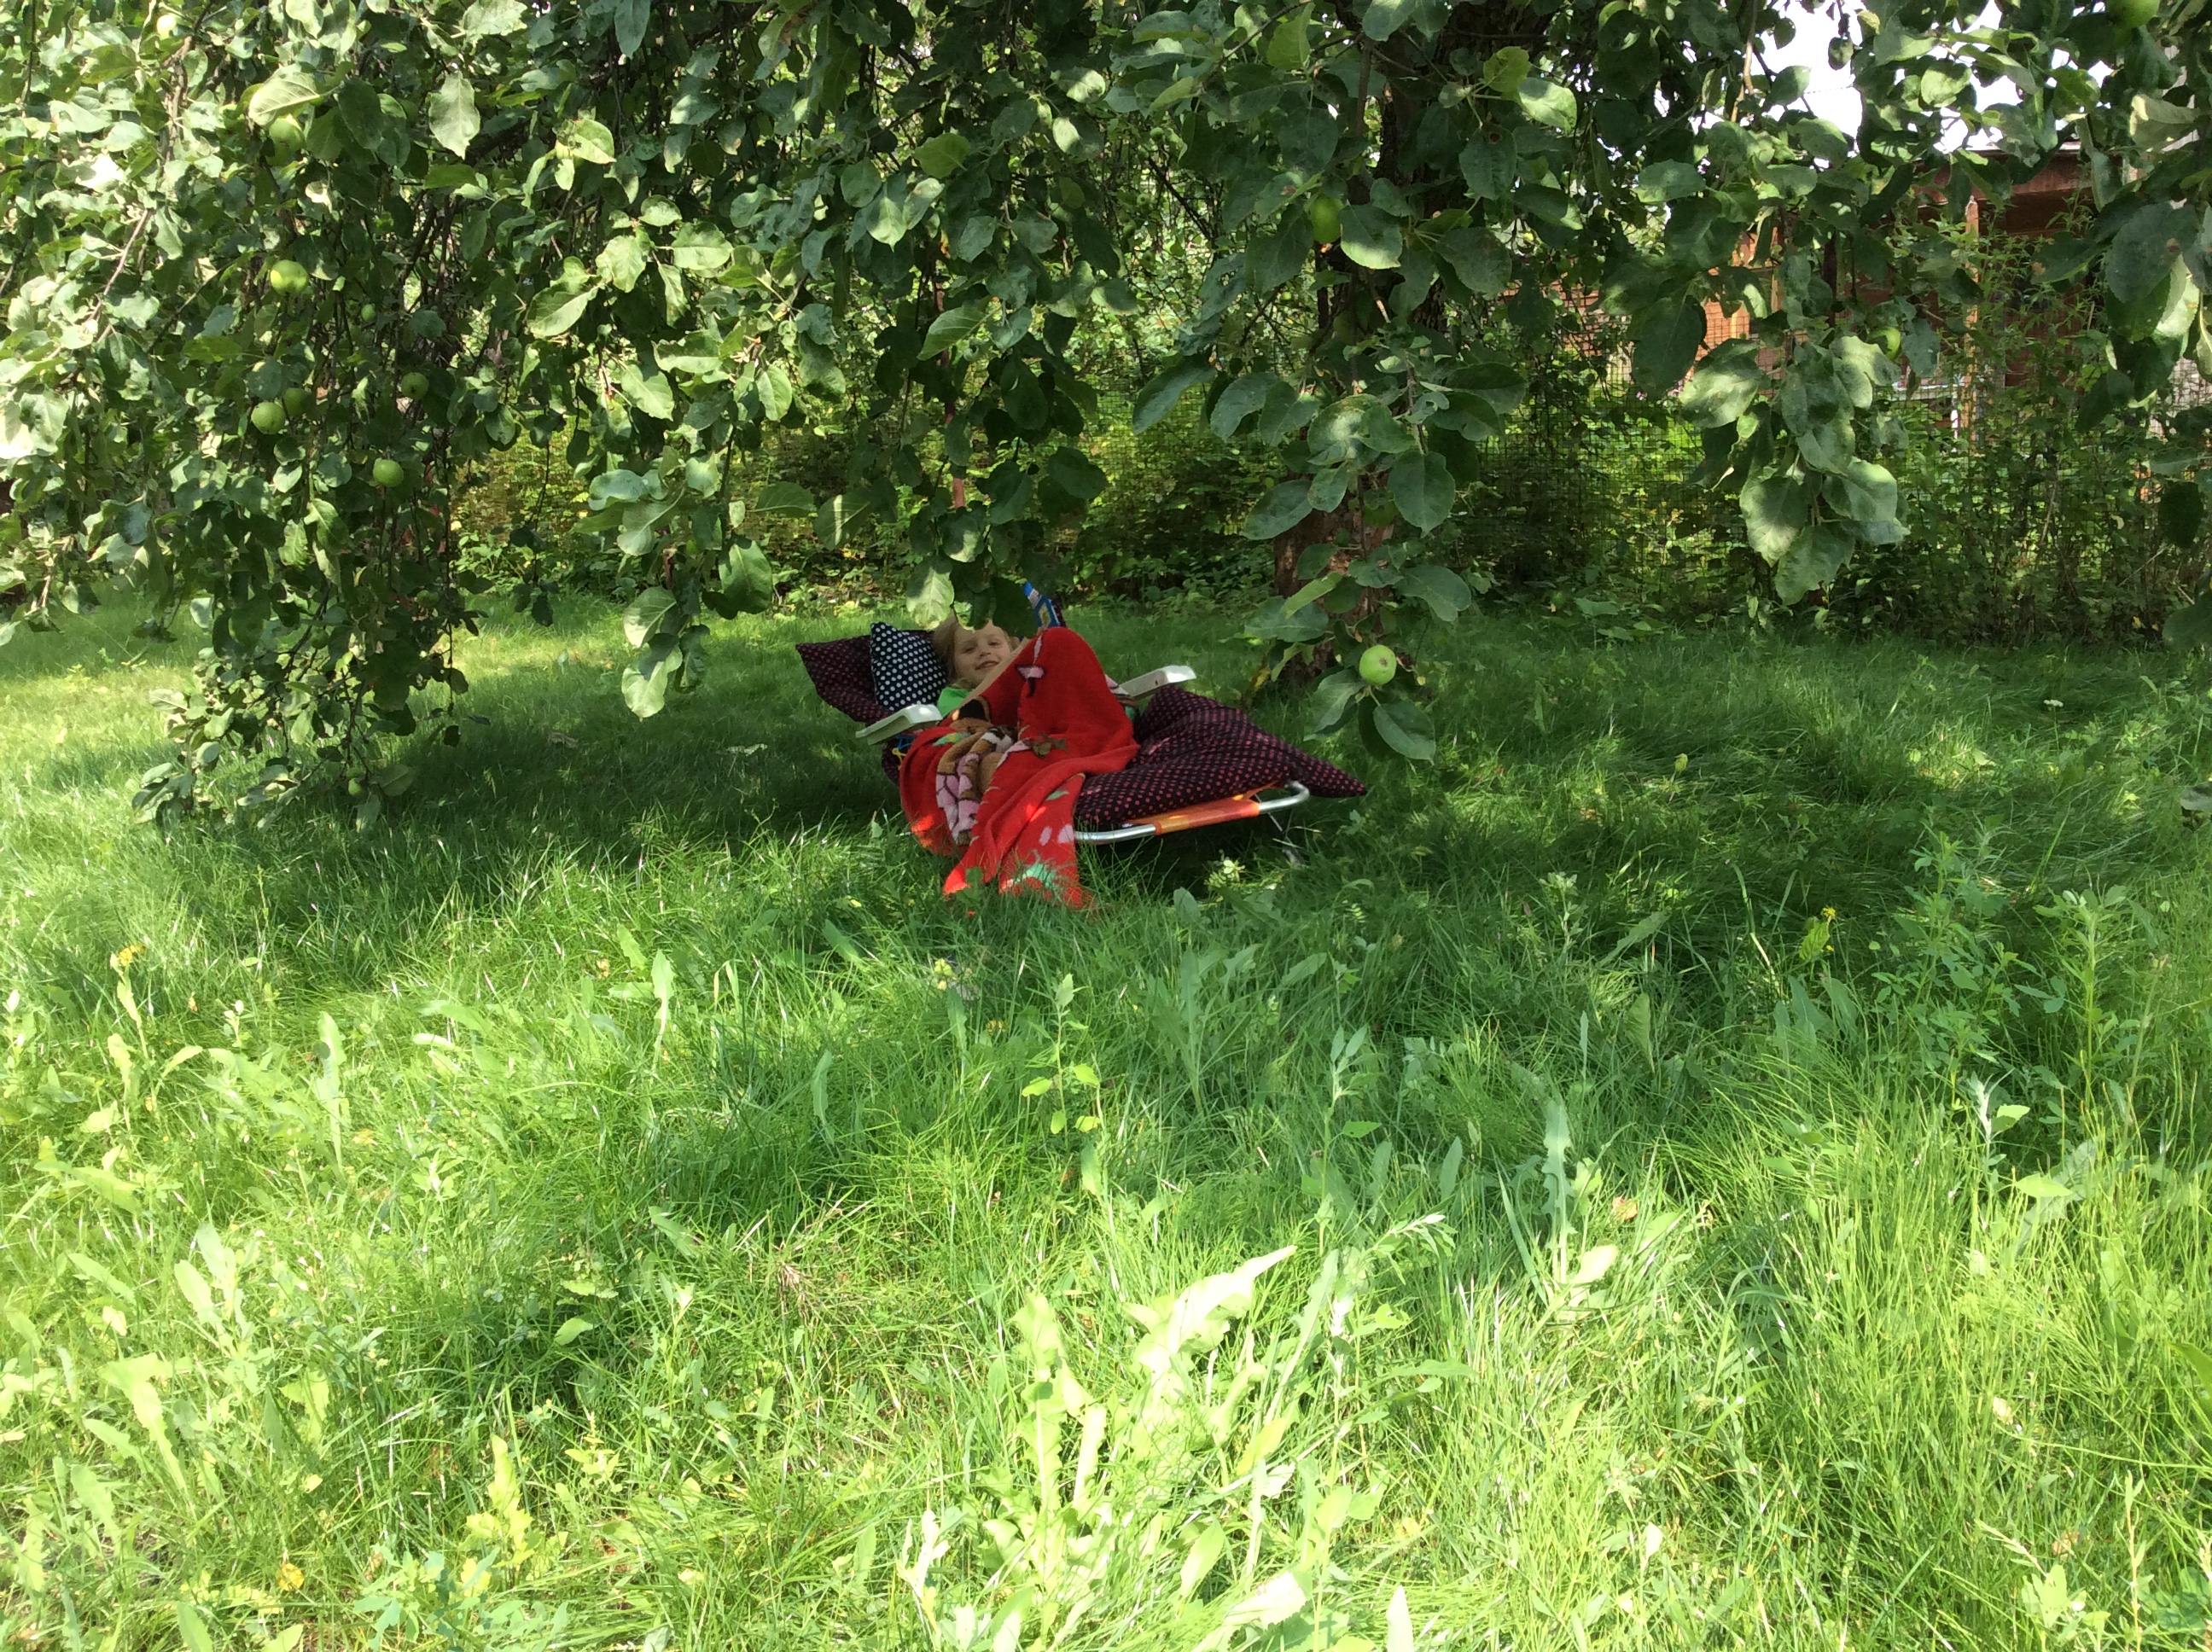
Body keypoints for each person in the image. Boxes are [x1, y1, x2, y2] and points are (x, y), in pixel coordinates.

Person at [928, 616, 1016, 716]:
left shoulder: (1027, 680)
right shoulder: (952, 696)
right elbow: (963, 720)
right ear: (952, 663)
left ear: (1012, 648)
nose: (984, 651)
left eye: (994, 643)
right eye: (969, 649)